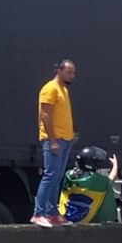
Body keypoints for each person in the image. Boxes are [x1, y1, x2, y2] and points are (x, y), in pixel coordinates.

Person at [31, 59, 77, 228]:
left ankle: (52, 212)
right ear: (59, 70)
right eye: (69, 72)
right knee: (50, 175)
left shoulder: (63, 90)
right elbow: (45, 116)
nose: (72, 76)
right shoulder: (50, 88)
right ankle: (39, 212)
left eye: (73, 73)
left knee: (57, 176)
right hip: (55, 140)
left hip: (65, 139)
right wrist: (52, 141)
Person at [59, 146, 118, 223]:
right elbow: (111, 179)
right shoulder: (96, 180)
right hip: (90, 221)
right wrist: (115, 165)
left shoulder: (68, 175)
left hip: (66, 218)